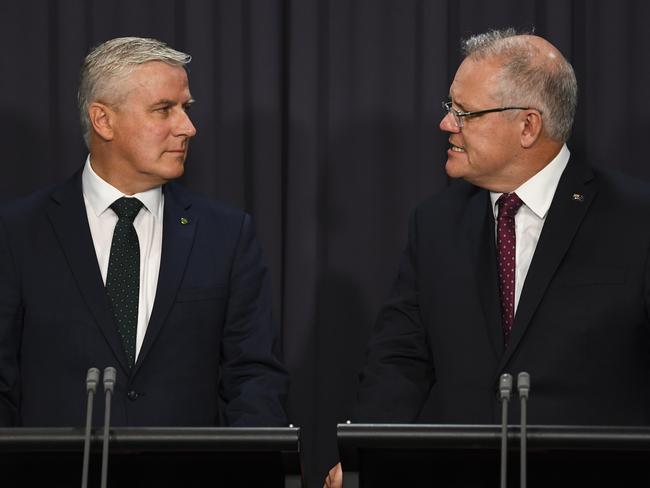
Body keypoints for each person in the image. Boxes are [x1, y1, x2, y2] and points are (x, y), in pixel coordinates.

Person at [325, 28, 650, 486]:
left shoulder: (636, 219)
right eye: (449, 109)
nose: (446, 124)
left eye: (465, 113)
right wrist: (361, 456)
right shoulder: (435, 224)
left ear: (527, 126)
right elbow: (399, 361)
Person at [0, 37, 288, 427]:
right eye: (163, 110)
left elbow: (254, 379)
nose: (188, 127)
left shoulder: (226, 234)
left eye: (185, 108)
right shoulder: (17, 233)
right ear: (104, 120)